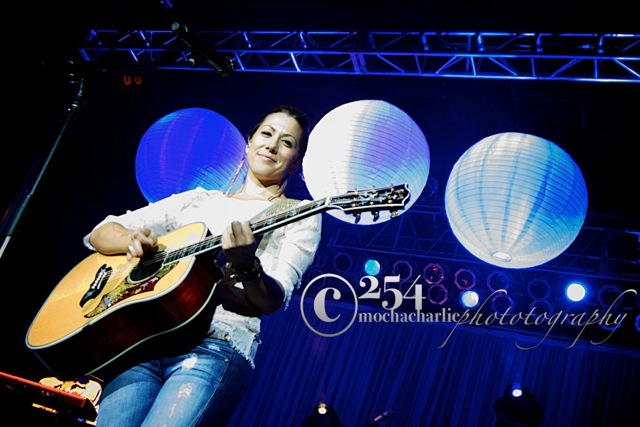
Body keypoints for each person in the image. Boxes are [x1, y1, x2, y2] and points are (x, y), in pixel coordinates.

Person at [86, 105, 322, 426]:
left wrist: (248, 266)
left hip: (215, 346)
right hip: (145, 341)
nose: (272, 145)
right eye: (266, 134)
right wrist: (132, 240)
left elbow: (271, 300)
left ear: (295, 162)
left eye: (287, 142)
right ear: (249, 143)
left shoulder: (299, 214)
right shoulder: (199, 199)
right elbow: (101, 231)